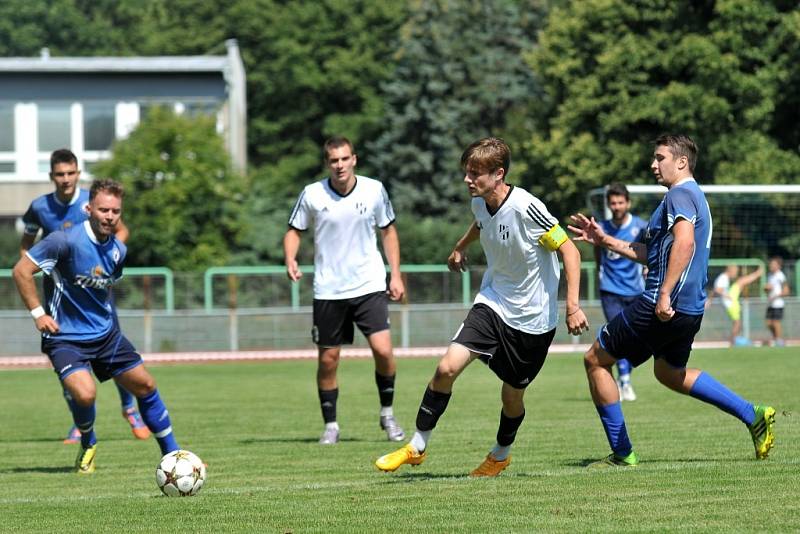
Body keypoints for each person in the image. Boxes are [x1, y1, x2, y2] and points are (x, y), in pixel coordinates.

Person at [374, 137, 588, 477]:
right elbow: (481, 224)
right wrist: (459, 248)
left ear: (498, 174)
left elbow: (570, 251)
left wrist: (572, 306)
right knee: (446, 368)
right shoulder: (479, 203)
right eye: (466, 172)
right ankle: (417, 445)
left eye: (475, 173)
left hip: (533, 319)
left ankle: (500, 455)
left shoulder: (526, 207)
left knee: (512, 397)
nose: (467, 180)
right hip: (493, 302)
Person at [568, 134, 775, 467]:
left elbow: (685, 243)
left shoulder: (680, 194)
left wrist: (663, 292)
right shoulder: (692, 197)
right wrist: (605, 240)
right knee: (667, 372)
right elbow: (652, 253)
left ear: (681, 162)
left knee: (595, 360)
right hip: (689, 309)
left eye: (659, 157)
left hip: (660, 303)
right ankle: (752, 415)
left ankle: (622, 453)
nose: (653, 164)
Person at [13, 179, 181, 473]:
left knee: (146, 385)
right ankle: (88, 441)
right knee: (86, 393)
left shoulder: (118, 250)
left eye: (115, 211)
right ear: (89, 209)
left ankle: (175, 457)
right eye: (103, 209)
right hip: (64, 337)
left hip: (105, 335)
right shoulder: (63, 241)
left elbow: (103, 288)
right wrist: (39, 313)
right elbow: (21, 271)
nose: (110, 216)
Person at [19, 149, 149, 445]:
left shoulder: (93, 203)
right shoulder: (39, 208)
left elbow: (121, 232)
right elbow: (26, 244)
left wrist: (104, 258)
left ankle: (130, 409)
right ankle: (80, 425)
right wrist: (36, 267)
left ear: (78, 173)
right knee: (70, 367)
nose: (66, 179)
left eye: (71, 173)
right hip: (62, 295)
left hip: (95, 288)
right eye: (60, 174)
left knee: (115, 352)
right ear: (51, 176)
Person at [283, 136, 406, 445]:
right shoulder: (312, 194)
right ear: (328, 163)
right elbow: (294, 231)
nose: (339, 165)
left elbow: (388, 231)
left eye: (344, 158)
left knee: (383, 351)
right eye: (333, 160)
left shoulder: (374, 189)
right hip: (329, 289)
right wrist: (290, 258)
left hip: (369, 284)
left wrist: (396, 275)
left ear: (354, 159)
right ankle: (331, 425)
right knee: (328, 360)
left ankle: (387, 415)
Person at [596, 183, 648, 401]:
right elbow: (598, 251)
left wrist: (647, 267)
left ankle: (624, 377)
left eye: (620, 202)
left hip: (636, 290)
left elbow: (650, 251)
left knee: (636, 340)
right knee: (619, 336)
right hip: (610, 291)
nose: (616, 206)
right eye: (612, 203)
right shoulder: (601, 227)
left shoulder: (641, 227)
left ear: (628, 203)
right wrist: (601, 274)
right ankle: (625, 381)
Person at [712, 264, 764, 346]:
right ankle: (733, 341)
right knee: (737, 323)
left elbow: (715, 290)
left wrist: (710, 300)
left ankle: (734, 340)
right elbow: (717, 289)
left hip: (731, 301)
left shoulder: (724, 277)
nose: (735, 274)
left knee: (737, 323)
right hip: (730, 302)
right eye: (735, 272)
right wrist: (726, 296)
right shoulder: (723, 277)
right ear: (730, 270)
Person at [764, 256, 790, 347]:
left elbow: (786, 291)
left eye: (773, 264)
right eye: (771, 264)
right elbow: (769, 288)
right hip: (770, 303)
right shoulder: (770, 275)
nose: (771, 265)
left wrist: (776, 296)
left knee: (776, 322)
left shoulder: (780, 275)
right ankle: (776, 338)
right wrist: (766, 289)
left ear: (779, 266)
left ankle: (779, 341)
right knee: (768, 323)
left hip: (778, 304)